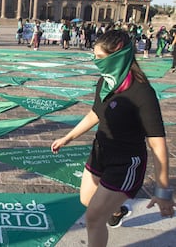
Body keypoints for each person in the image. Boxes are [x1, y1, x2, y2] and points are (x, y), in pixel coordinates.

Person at [51, 30, 175, 247]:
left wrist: (163, 190)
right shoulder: (106, 82)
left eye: (100, 58)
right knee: (86, 200)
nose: (96, 63)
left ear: (117, 54)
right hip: (100, 153)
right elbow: (96, 113)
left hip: (125, 164)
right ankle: (116, 210)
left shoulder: (142, 93)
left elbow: (157, 143)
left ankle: (109, 211)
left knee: (94, 218)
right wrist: (68, 137)